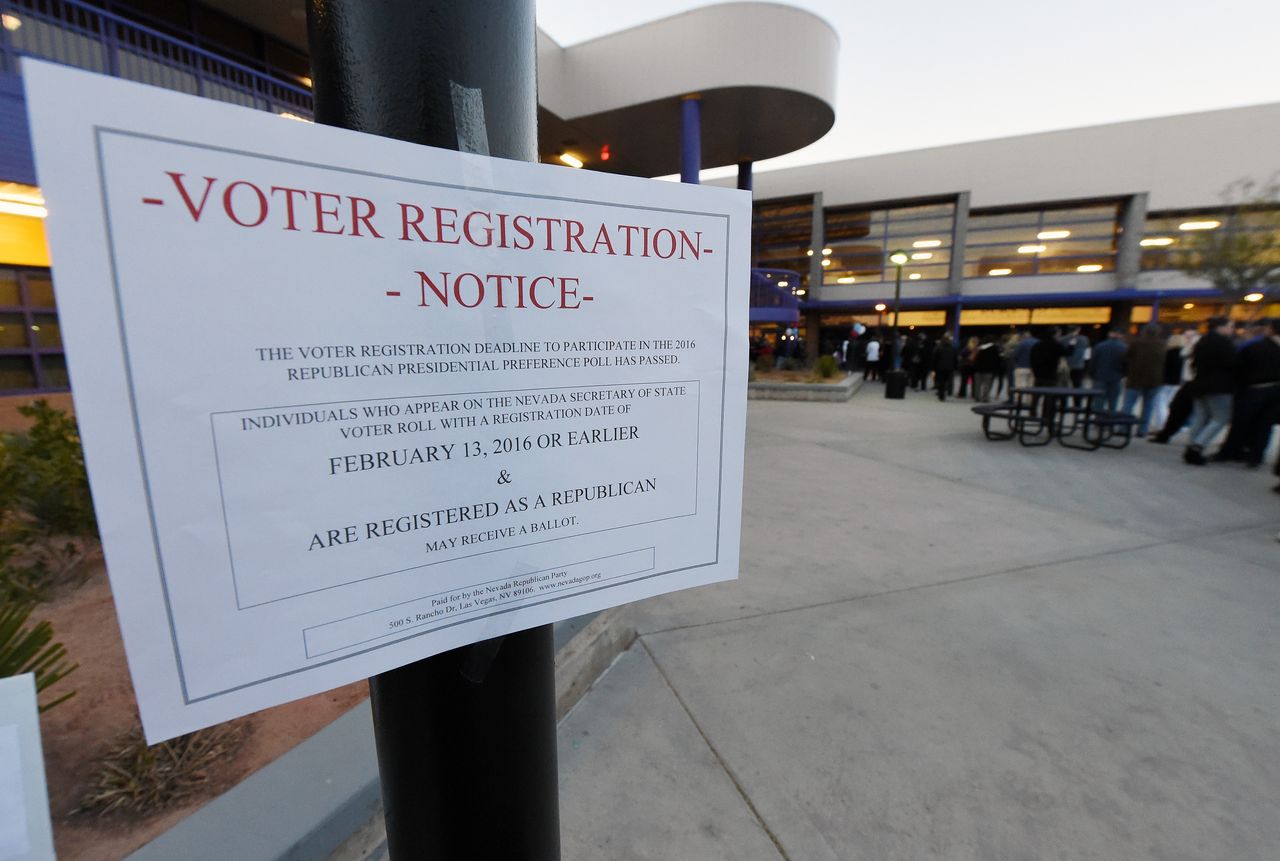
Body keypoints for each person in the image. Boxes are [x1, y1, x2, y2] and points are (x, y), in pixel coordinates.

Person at [1214, 318, 1280, 466]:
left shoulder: (1257, 347)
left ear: (1270, 329)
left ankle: (1231, 450)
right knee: (1265, 425)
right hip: (1276, 392)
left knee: (1241, 422)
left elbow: (1239, 367)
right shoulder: (1263, 346)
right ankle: (1256, 455)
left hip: (1253, 389)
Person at [1183, 316, 1237, 465]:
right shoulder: (1224, 343)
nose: (1232, 330)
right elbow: (1233, 363)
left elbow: (1194, 363)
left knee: (1201, 417)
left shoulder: (1202, 341)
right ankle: (1198, 446)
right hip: (1219, 386)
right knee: (1221, 418)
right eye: (1230, 326)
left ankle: (1191, 445)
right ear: (1221, 327)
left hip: (1200, 384)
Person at [1121, 323, 1167, 437]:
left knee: (1128, 404)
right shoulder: (1162, 345)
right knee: (1148, 406)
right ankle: (1143, 430)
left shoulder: (1136, 343)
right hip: (1154, 379)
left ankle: (1123, 428)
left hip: (1135, 378)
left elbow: (1126, 357)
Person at [1090, 327, 1128, 412]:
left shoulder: (1100, 346)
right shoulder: (1124, 347)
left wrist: (1092, 374)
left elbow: (1093, 362)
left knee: (1098, 400)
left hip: (1100, 376)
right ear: (1120, 335)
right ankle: (1110, 419)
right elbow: (1126, 363)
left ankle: (1098, 419)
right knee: (1113, 401)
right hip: (1116, 376)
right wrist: (1123, 374)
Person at [974, 337, 1002, 402]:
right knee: (987, 384)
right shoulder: (995, 349)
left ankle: (977, 396)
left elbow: (976, 358)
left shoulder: (980, 348)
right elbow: (997, 360)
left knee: (977, 384)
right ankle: (985, 397)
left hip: (978, 368)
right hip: (989, 369)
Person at [933, 333, 958, 401]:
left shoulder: (939, 348)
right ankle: (949, 392)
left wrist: (934, 367)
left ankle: (941, 395)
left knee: (941, 381)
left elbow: (935, 358)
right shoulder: (953, 348)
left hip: (940, 367)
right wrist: (955, 367)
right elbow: (955, 359)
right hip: (950, 367)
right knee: (949, 380)